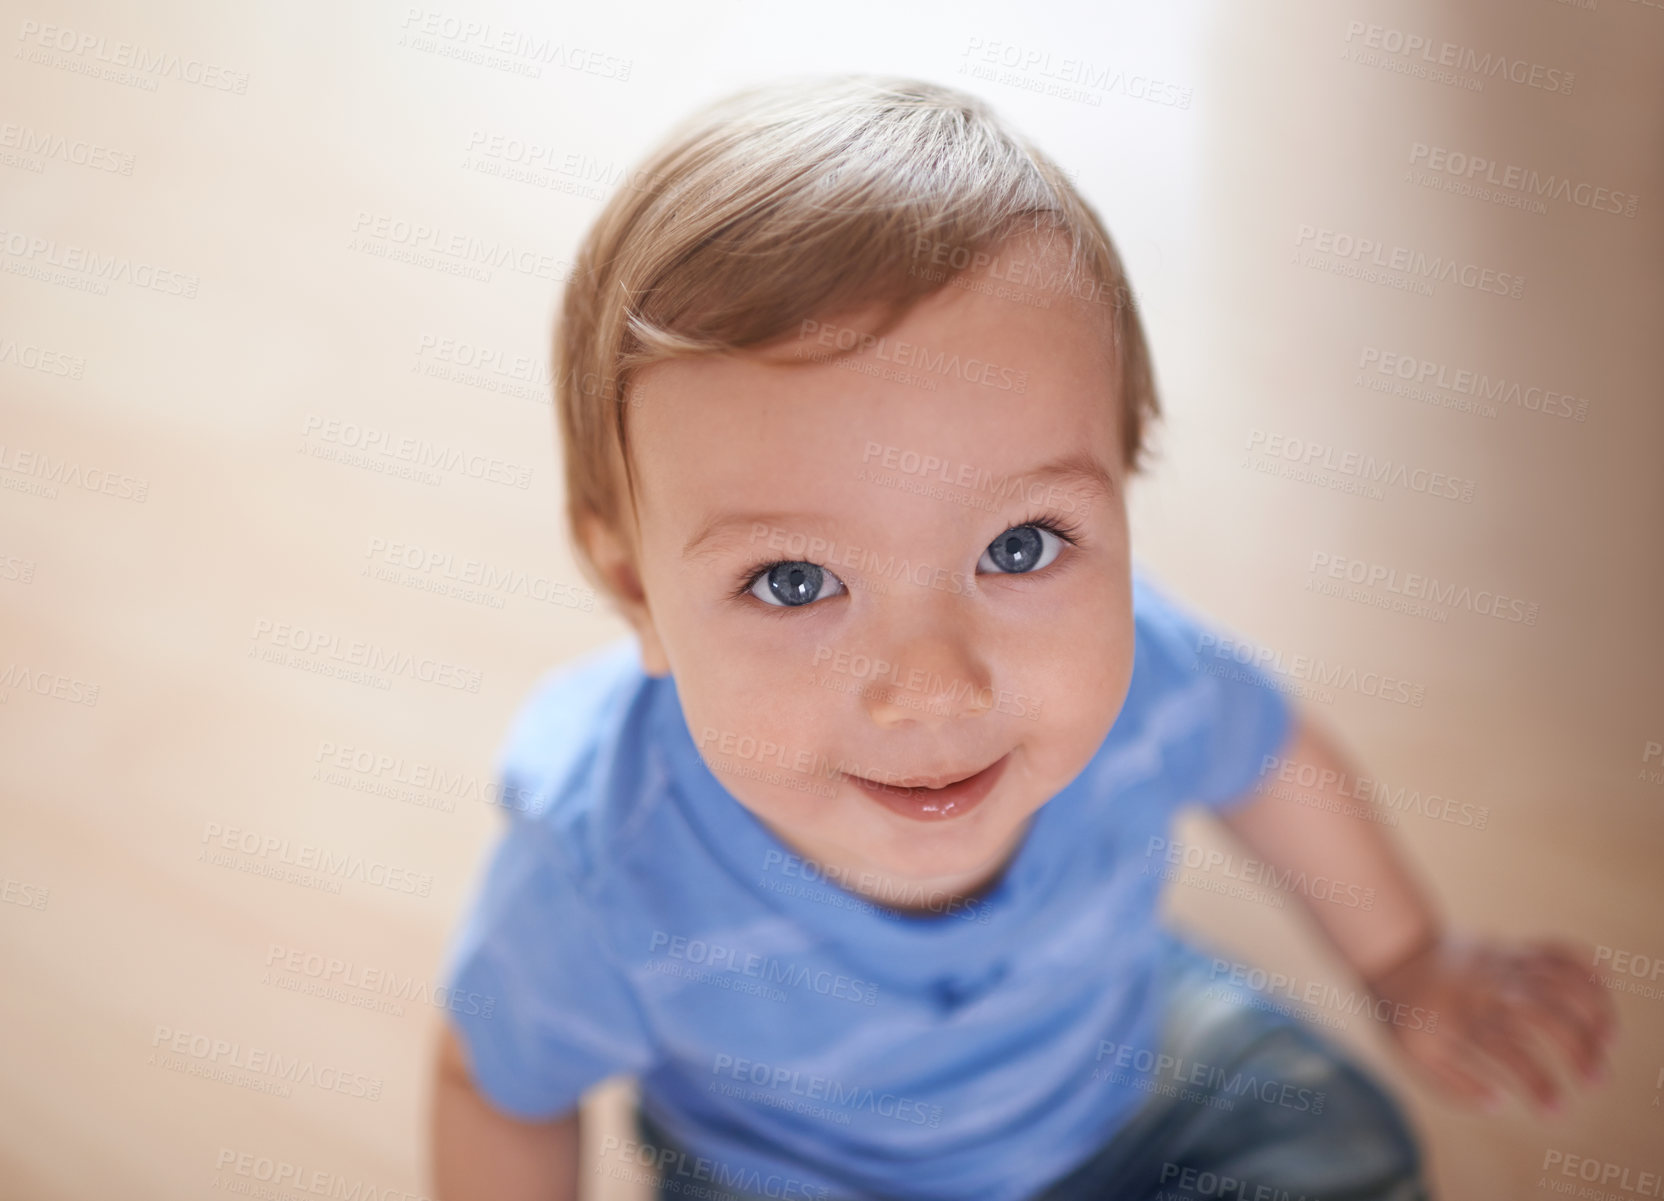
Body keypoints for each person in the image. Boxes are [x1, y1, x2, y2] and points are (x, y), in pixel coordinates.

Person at [427, 75, 1614, 1201]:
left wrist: (1406, 962)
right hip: (801, 1174)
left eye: (1018, 547)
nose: (934, 688)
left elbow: (1267, 758)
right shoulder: (600, 870)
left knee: (1338, 1144)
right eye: (793, 580)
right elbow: (492, 1080)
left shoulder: (1145, 674)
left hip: (1125, 1077)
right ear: (633, 588)